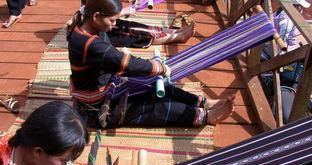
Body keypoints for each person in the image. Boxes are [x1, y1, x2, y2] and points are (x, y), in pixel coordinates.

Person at [66, 0, 235, 129]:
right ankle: (205, 116)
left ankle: (202, 102)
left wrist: (154, 69)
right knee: (154, 106)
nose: (114, 25)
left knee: (156, 86)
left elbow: (116, 60)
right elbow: (127, 65)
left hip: (108, 84)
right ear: (96, 16)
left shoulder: (86, 28)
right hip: (96, 106)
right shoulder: (90, 44)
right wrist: (158, 67)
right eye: (112, 20)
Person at [0, 101, 91, 165]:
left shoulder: (44, 148)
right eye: (64, 160)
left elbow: (67, 162)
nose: (67, 162)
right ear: (38, 152)